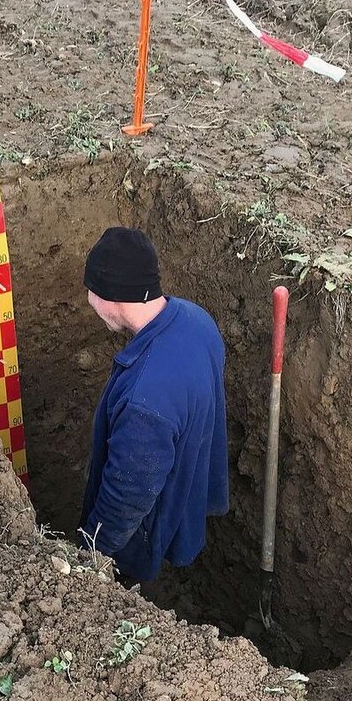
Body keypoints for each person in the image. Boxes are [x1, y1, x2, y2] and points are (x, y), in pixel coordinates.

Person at [78, 227, 229, 587]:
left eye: (91, 290)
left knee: (122, 587)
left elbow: (125, 500)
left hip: (148, 526)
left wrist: (88, 559)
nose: (87, 299)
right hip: (186, 486)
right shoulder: (196, 321)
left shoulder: (145, 402)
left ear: (110, 294)